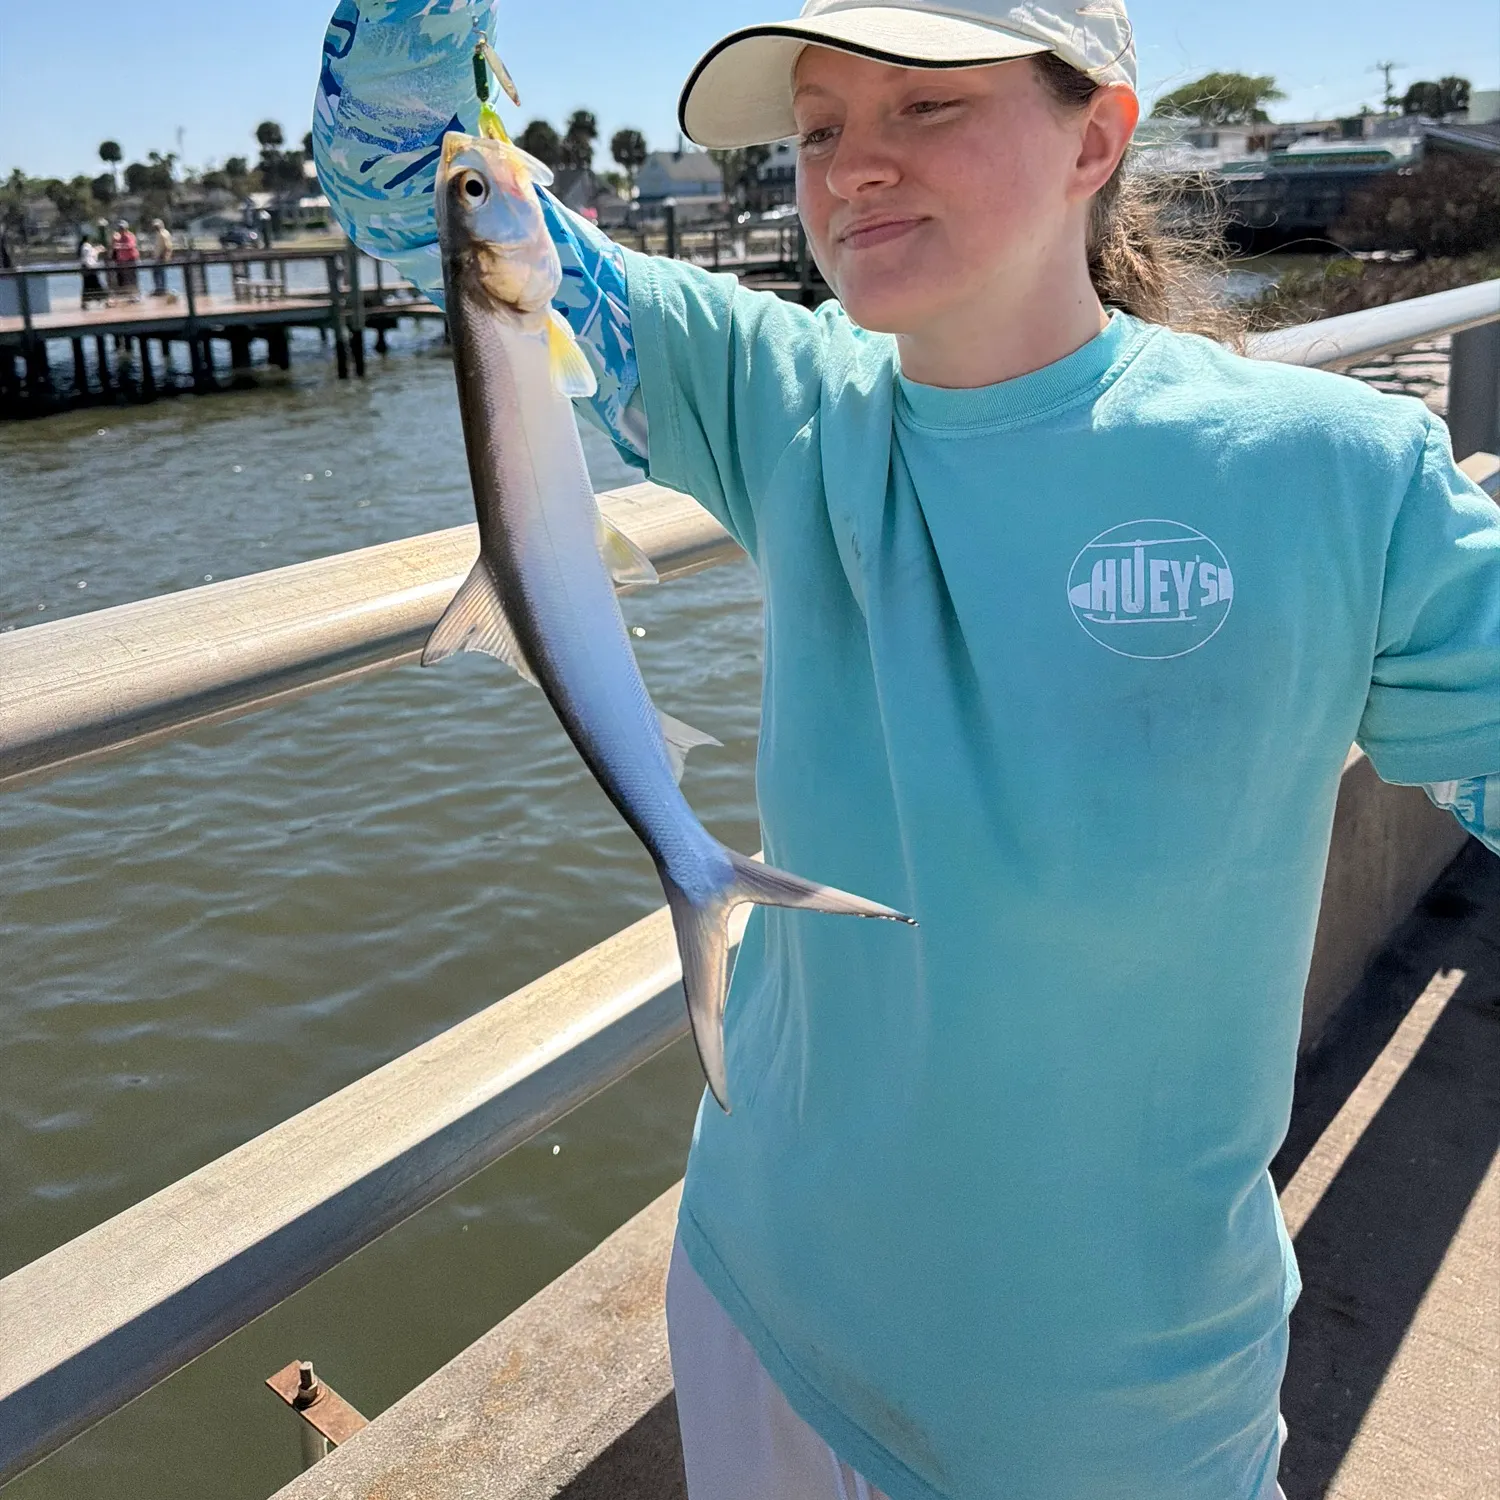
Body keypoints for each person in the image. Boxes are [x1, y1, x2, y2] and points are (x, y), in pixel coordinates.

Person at [313, 3, 1500, 1497]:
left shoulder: (1337, 476)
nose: (852, 167)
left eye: (923, 107)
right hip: (759, 1307)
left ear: (1098, 136)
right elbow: (401, 172)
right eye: (818, 128)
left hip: (1107, 1427)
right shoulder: (780, 399)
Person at [110, 219, 139, 300]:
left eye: (122, 228)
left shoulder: (130, 235)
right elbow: (113, 246)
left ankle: (134, 295)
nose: (121, 230)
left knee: (132, 278)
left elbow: (131, 245)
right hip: (121, 261)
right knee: (123, 279)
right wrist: (114, 240)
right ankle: (125, 295)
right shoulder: (118, 237)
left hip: (130, 260)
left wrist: (119, 245)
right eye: (120, 228)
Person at [78, 233, 106, 307]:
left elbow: (91, 253)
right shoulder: (86, 247)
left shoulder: (84, 246)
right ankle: (101, 299)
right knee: (96, 285)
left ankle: (86, 302)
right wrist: (93, 266)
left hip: (87, 268)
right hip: (89, 269)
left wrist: (98, 249)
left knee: (87, 286)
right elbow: (88, 257)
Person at [149, 217, 173, 296]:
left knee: (159, 273)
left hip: (161, 257)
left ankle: (161, 289)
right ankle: (160, 288)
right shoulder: (160, 233)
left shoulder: (163, 234)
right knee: (158, 273)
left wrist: (163, 256)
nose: (155, 228)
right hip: (158, 257)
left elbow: (167, 246)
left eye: (157, 226)